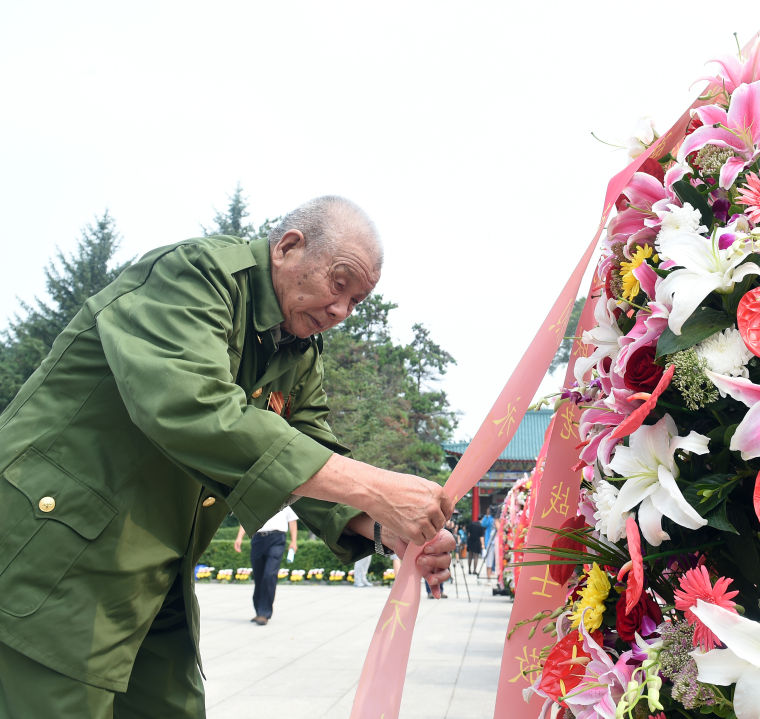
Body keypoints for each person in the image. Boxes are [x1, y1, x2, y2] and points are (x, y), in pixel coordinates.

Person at [0, 196, 455, 718]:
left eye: (356, 301)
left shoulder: (297, 349)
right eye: (339, 283)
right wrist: (376, 488)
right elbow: (190, 406)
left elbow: (309, 446)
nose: (340, 311)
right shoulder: (191, 275)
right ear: (288, 247)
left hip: (155, 571)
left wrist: (379, 524)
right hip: (54, 552)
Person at [234, 507, 298, 622]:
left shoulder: (285, 499)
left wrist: (294, 541)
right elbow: (246, 520)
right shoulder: (255, 500)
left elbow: (292, 521)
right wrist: (239, 537)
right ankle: (259, 611)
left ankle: (264, 613)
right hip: (257, 539)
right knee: (258, 576)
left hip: (277, 539)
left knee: (269, 575)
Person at [481, 506, 497, 581]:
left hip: (497, 541)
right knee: (489, 560)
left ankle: (494, 573)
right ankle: (489, 577)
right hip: (489, 541)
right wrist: (486, 516)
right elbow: (483, 524)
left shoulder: (498, 518)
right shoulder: (488, 518)